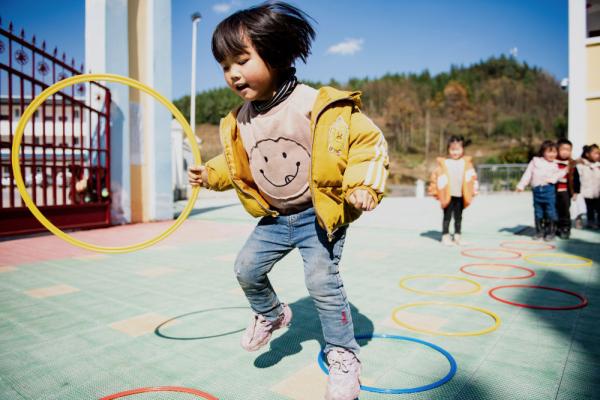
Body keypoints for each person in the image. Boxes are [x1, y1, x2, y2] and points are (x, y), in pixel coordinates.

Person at [187, 3, 389, 399]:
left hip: (318, 216)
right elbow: (237, 163)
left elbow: (365, 142)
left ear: (276, 55)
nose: (232, 74)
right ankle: (273, 314)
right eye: (225, 66)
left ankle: (344, 355)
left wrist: (362, 184)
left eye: (241, 61)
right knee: (245, 268)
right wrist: (209, 175)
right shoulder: (239, 119)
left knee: (321, 283)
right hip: (277, 218)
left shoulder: (314, 104)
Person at [428, 135, 478, 246]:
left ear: (462, 149)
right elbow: (435, 178)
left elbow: (472, 178)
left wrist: (473, 190)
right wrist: (435, 191)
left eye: (457, 149)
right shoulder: (444, 163)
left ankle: (457, 236)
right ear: (448, 150)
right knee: (447, 216)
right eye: (452, 150)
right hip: (447, 195)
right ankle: (445, 236)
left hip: (461, 194)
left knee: (458, 217)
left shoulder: (466, 164)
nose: (455, 152)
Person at [516, 140, 567, 240]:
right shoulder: (535, 161)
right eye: (549, 151)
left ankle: (550, 231)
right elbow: (528, 173)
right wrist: (521, 185)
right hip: (537, 190)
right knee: (538, 211)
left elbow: (559, 174)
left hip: (549, 190)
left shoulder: (555, 165)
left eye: (554, 152)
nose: (552, 154)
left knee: (550, 211)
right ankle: (539, 231)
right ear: (543, 152)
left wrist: (561, 173)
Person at [555, 138, 580, 239]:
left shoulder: (572, 164)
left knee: (565, 210)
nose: (565, 152)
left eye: (568, 150)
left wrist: (575, 192)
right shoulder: (553, 162)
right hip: (553, 190)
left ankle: (565, 228)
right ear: (557, 150)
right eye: (563, 149)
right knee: (553, 210)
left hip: (565, 191)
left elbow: (576, 179)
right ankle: (555, 226)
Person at [577, 144, 600, 229]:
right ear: (587, 154)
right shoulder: (582, 165)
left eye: (598, 153)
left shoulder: (598, 165)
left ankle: (598, 222)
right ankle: (590, 222)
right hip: (586, 192)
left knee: (598, 208)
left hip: (597, 192)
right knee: (589, 208)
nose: (597, 155)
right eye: (595, 153)